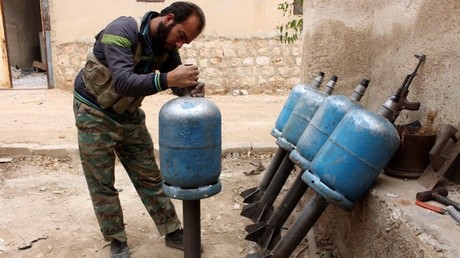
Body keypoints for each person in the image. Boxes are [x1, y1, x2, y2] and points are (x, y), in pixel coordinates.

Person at [72, 2, 206, 257]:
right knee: (102, 182)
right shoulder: (122, 30)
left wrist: (189, 88)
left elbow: (175, 82)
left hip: (129, 115)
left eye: (185, 42)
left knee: (150, 176)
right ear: (168, 19)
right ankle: (116, 240)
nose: (180, 44)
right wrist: (168, 79)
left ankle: (171, 229)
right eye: (181, 36)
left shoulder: (165, 48)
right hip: (94, 112)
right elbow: (122, 81)